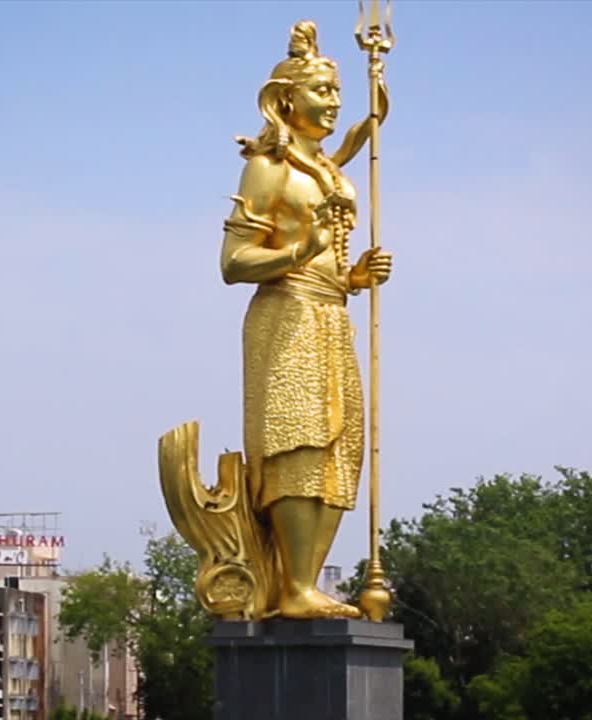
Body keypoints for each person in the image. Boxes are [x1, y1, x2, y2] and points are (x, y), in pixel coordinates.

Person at [220, 20, 392, 619]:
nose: (332, 103)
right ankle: (292, 586)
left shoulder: (329, 172)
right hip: (285, 316)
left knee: (339, 449)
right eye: (321, 92)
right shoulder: (269, 169)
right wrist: (300, 249)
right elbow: (234, 262)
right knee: (297, 443)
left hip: (330, 314)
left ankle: (307, 582)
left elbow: (354, 138)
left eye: (335, 95)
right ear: (286, 99)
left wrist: (354, 278)